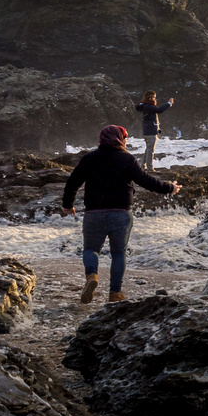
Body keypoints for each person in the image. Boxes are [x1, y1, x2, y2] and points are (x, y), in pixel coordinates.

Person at [61, 124, 181, 304]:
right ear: (119, 139)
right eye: (125, 137)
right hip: (121, 213)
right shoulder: (127, 159)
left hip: (94, 212)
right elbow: (147, 181)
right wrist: (170, 188)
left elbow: (72, 182)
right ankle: (115, 293)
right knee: (118, 253)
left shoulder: (90, 158)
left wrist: (67, 205)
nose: (126, 141)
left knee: (91, 249)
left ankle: (92, 276)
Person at [135, 90, 174, 170]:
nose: (155, 99)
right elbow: (159, 110)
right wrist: (169, 104)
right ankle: (150, 168)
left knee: (148, 149)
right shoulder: (149, 106)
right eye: (154, 97)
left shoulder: (144, 105)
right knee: (150, 150)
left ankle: (143, 165)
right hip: (151, 131)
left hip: (147, 130)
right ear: (151, 97)